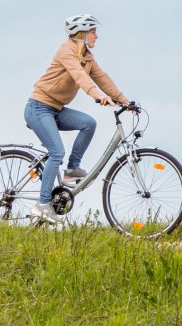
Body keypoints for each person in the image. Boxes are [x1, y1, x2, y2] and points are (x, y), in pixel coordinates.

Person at [25, 14, 135, 223]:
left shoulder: (87, 56)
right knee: (57, 151)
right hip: (38, 108)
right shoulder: (66, 51)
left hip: (56, 109)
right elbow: (79, 76)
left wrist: (124, 100)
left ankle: (71, 170)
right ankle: (42, 204)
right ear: (83, 33)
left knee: (88, 123)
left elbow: (102, 78)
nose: (97, 36)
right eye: (94, 32)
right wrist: (97, 96)